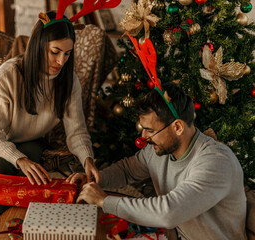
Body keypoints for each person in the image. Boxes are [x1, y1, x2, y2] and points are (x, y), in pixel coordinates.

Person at [67, 82, 247, 240]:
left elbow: (168, 212)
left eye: (150, 130)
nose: (143, 136)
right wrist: (96, 179)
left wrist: (104, 201)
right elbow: (128, 170)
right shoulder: (160, 150)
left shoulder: (216, 162)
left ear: (177, 127)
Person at [0, 11, 99, 218]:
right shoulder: (8, 75)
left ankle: (28, 223)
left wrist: (87, 159)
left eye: (67, 53)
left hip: (31, 139)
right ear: (39, 45)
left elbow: (76, 131)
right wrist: (19, 159)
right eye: (55, 52)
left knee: (32, 175)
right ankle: (1, 229)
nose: (61, 61)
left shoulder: (69, 81)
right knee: (0, 169)